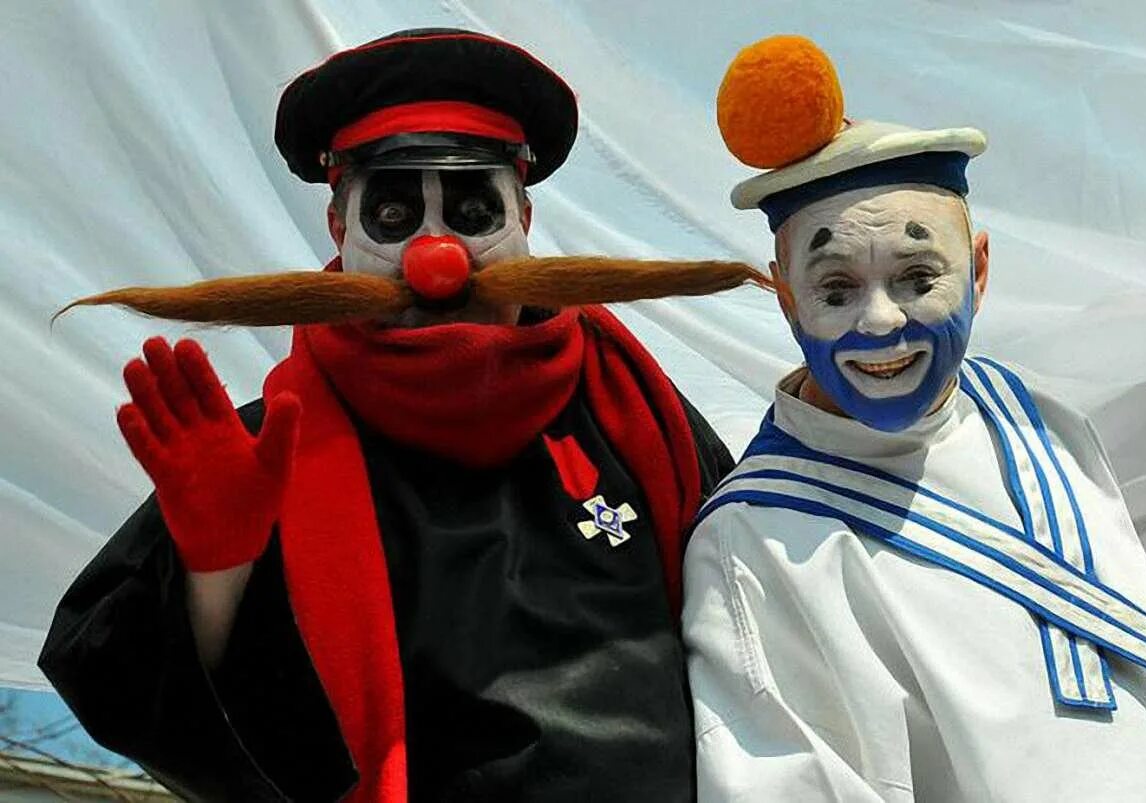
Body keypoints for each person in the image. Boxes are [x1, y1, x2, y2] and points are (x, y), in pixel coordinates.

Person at [39, 28, 748, 802]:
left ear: (525, 221)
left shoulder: (642, 415)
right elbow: (133, 691)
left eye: (474, 211)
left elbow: (762, 612)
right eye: (392, 213)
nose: (435, 260)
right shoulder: (260, 454)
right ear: (339, 231)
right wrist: (216, 572)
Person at [684, 35, 1146, 802]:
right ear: (786, 299)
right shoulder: (754, 542)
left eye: (918, 277)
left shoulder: (1036, 415)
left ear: (980, 271)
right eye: (836, 289)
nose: (880, 321)